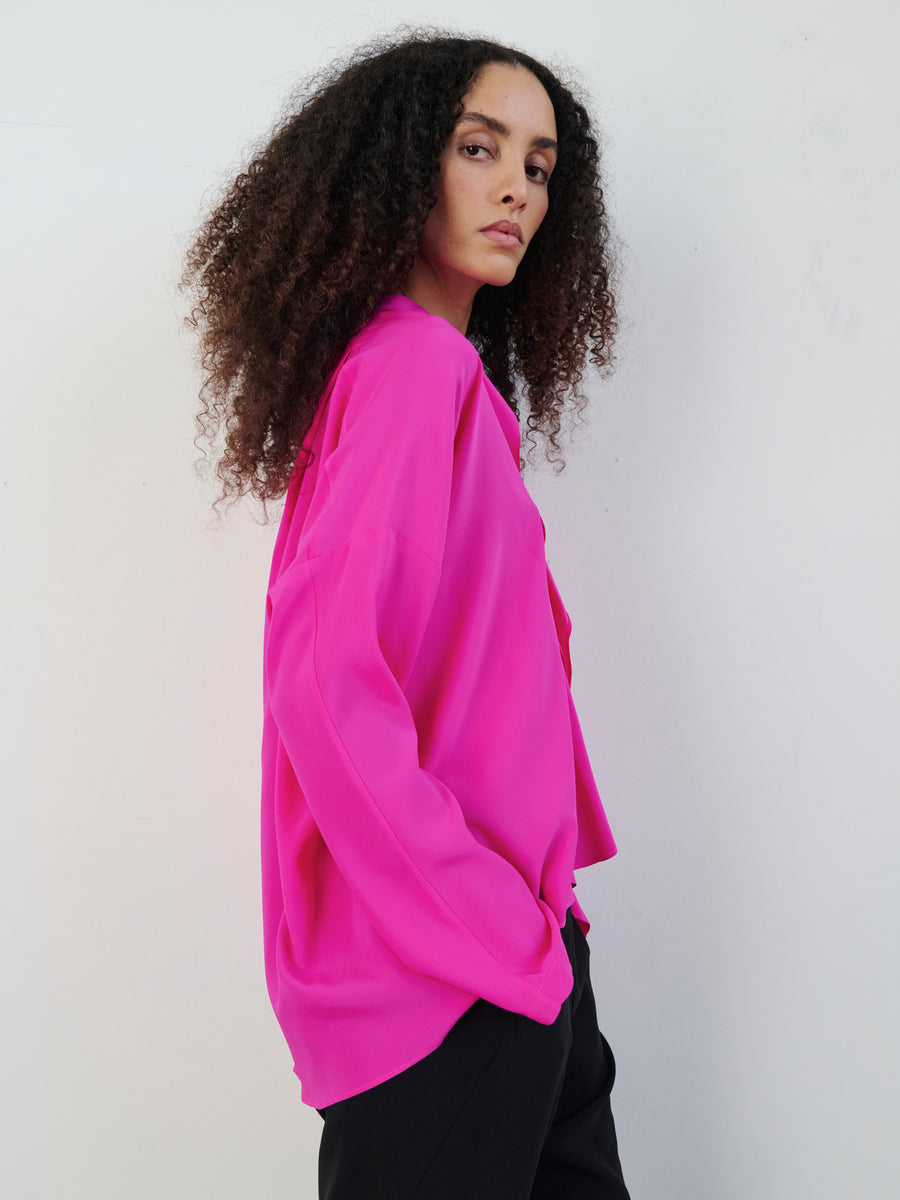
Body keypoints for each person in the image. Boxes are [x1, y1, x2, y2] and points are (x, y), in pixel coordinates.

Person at [183, 29, 630, 1200]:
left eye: (539, 166)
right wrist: (493, 929)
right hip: (451, 978)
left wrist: (546, 933)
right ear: (394, 168)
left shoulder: (451, 380)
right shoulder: (408, 374)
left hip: (524, 955)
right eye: (478, 147)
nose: (515, 189)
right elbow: (327, 692)